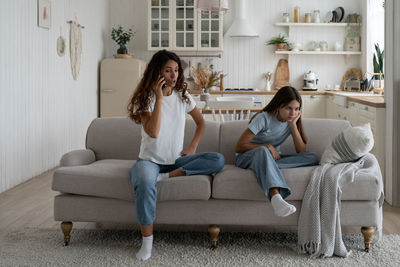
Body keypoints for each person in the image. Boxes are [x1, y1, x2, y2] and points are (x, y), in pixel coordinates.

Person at [127, 50, 224, 261]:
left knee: (217, 159)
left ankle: (166, 178)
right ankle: (147, 243)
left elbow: (201, 122)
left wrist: (193, 146)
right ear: (157, 72)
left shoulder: (183, 96)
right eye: (168, 71)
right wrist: (160, 98)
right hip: (149, 161)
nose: (174, 76)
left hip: (176, 161)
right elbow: (153, 132)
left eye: (177, 71)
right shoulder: (146, 99)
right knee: (144, 183)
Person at [234, 86, 318, 218]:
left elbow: (301, 151)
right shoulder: (263, 118)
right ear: (279, 106)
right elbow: (239, 146)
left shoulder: (291, 121)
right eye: (288, 108)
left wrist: (293, 126)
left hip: (272, 159)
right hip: (247, 157)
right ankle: (276, 197)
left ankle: (266, 166)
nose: (293, 113)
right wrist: (267, 147)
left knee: (312, 157)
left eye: (296, 109)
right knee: (262, 151)